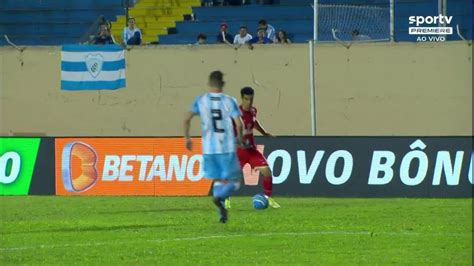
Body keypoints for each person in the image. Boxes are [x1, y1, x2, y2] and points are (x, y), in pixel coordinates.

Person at [184, 71, 245, 224]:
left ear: (209, 84)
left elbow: (186, 119)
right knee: (235, 181)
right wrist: (239, 138)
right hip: (226, 147)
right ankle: (219, 198)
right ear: (222, 84)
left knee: (218, 180)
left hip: (209, 150)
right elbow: (239, 124)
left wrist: (188, 138)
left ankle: (221, 211)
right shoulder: (229, 101)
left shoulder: (201, 100)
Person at [225, 87, 280, 209]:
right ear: (242, 98)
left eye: (251, 99)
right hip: (239, 150)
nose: (249, 102)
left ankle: (267, 198)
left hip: (251, 150)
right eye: (246, 99)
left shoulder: (254, 111)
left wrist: (264, 133)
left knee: (267, 171)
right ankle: (226, 199)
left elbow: (254, 123)